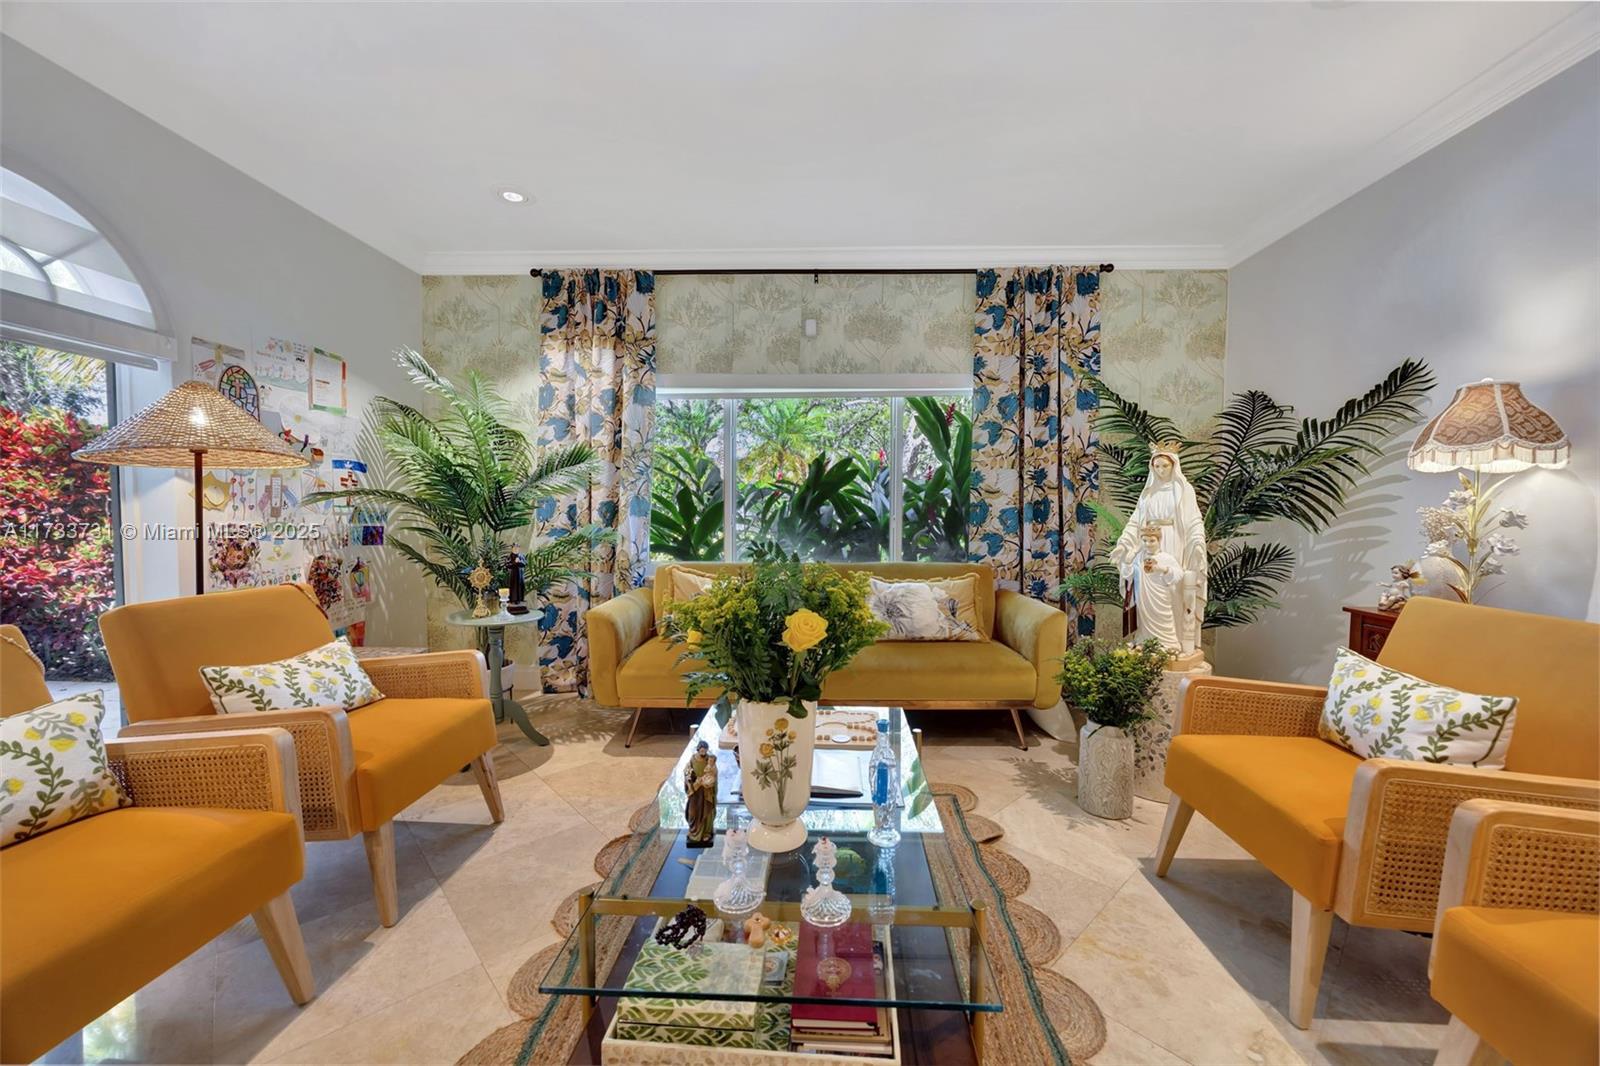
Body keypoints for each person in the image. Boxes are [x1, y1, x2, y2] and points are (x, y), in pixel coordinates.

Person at [1107, 443, 1207, 662]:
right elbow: (1135, 522)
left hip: (1174, 542)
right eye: (1157, 466)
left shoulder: (1183, 490)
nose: (1161, 470)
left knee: (1173, 590)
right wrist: (1123, 544)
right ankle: (1147, 640)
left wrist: (1198, 542)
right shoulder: (1148, 494)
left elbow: (1194, 520)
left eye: (1165, 466)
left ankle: (1172, 640)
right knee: (1144, 592)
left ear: (1174, 466)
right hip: (1147, 543)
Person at [683, 739, 718, 848]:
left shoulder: (710, 759)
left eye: (705, 750)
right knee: (692, 812)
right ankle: (694, 831)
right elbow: (687, 771)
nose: (703, 752)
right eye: (702, 750)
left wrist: (710, 781)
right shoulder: (692, 759)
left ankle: (706, 832)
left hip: (706, 791)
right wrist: (691, 780)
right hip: (695, 790)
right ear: (698, 749)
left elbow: (714, 773)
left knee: (707, 811)